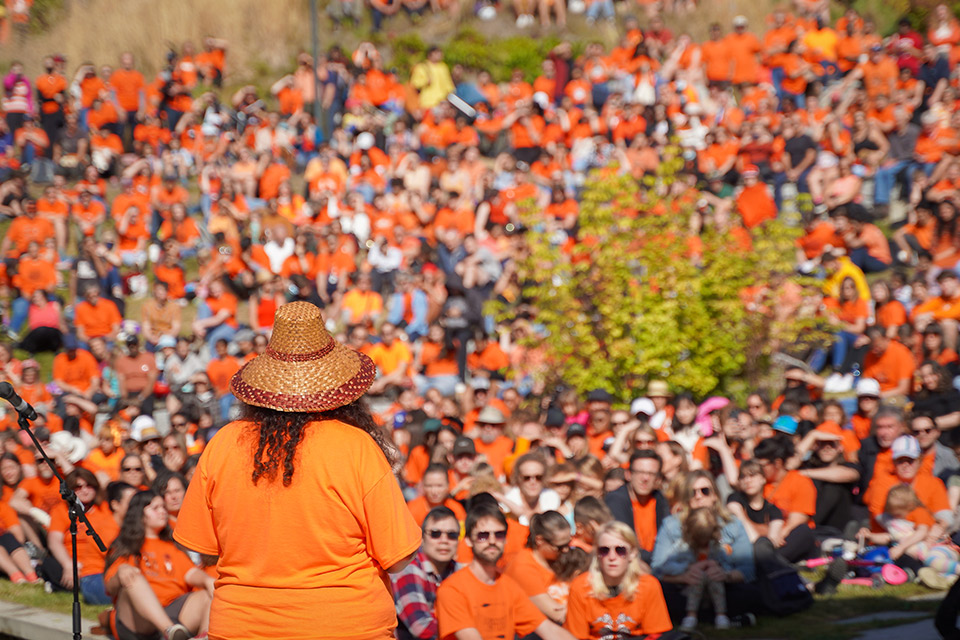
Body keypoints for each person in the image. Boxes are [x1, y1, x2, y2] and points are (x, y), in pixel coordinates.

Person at [174, 301, 422, 639]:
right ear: (340, 391)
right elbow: (397, 558)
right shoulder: (357, 446)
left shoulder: (223, 444)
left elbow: (202, 548)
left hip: (243, 625)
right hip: (346, 626)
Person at [435, 501, 576, 640]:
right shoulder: (452, 590)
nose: (492, 540)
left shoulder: (509, 587)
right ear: (468, 540)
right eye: (483, 535)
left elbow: (548, 630)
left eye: (499, 534)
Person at [104, 490, 214, 640]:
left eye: (163, 507)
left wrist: (207, 581)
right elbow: (110, 587)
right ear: (139, 514)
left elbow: (191, 574)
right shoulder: (126, 545)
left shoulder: (172, 546)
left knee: (208, 591)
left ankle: (204, 636)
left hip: (174, 611)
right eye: (155, 508)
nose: (162, 511)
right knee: (132, 577)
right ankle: (170, 631)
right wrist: (120, 572)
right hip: (138, 621)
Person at [651, 470, 757, 623]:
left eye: (705, 491)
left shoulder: (732, 525)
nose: (699, 496)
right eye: (693, 492)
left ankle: (704, 616)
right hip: (684, 588)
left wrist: (725, 575)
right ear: (686, 498)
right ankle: (716, 617)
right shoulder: (671, 525)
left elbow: (747, 570)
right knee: (662, 593)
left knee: (751, 593)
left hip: (723, 586)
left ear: (715, 495)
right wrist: (684, 576)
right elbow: (657, 569)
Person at [564, 520, 673, 639]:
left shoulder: (648, 585)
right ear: (597, 554)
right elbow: (575, 637)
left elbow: (656, 634)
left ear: (632, 553)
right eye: (604, 550)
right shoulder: (580, 587)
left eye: (620, 550)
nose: (612, 557)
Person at [41, 468, 118, 604]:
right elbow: (54, 541)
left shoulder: (105, 508)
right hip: (71, 560)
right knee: (50, 564)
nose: (85, 490)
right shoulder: (61, 510)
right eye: (78, 487)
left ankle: (65, 586)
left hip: (99, 563)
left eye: (89, 486)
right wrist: (69, 565)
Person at [391, 506, 463, 640]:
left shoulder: (460, 570)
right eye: (436, 534)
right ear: (422, 538)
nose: (444, 540)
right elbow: (422, 628)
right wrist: (467, 628)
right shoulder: (409, 570)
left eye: (452, 535)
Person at [504, 510, 573, 624]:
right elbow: (557, 614)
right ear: (540, 540)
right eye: (560, 546)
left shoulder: (558, 558)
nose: (566, 550)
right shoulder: (523, 568)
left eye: (568, 543)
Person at [604, 450, 670, 563]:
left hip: (660, 564)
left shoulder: (662, 501)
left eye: (651, 473)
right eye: (640, 472)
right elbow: (624, 543)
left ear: (658, 478)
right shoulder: (616, 500)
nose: (645, 478)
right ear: (628, 475)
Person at [679, 507, 730, 631]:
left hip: (713, 586)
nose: (703, 543)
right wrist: (689, 567)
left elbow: (727, 564)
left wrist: (719, 568)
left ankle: (721, 615)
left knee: (714, 577)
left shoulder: (716, 548)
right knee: (698, 577)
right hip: (691, 587)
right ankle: (691, 615)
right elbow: (669, 565)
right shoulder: (683, 547)